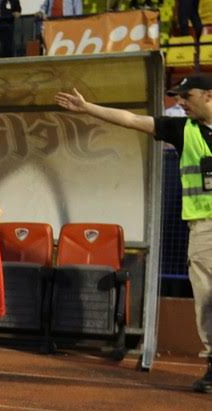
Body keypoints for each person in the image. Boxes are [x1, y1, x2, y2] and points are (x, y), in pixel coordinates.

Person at [55, 74, 212, 394]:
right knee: (206, 299)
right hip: (204, 228)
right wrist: (88, 108)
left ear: (209, 95)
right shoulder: (182, 129)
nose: (180, 102)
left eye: (187, 96)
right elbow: (131, 120)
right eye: (178, 96)